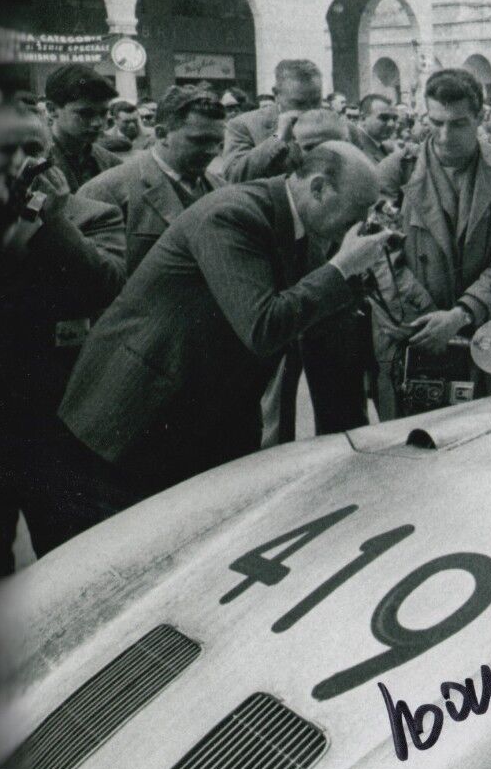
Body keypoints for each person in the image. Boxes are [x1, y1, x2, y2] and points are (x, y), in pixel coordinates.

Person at [57, 143, 392, 510]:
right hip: (134, 418)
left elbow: (321, 330)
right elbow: (263, 327)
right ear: (317, 188)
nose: (360, 225)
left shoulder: (305, 228)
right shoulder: (232, 214)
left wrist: (353, 275)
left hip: (204, 419)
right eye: (356, 213)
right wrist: (341, 268)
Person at [0, 100, 129, 578]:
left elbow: (106, 283)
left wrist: (53, 220)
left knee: (69, 556)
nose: (19, 162)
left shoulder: (89, 215)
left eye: (32, 150)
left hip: (57, 419)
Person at [374, 69, 491, 417]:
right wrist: (430, 319)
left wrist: (461, 314)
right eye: (436, 123)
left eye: (459, 124)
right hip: (416, 335)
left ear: (479, 117)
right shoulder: (395, 172)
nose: (445, 135)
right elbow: (380, 258)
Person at [78, 86, 227, 274]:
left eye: (218, 142)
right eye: (199, 141)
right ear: (161, 134)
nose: (212, 151)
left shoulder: (222, 188)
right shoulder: (107, 190)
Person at [220, 59, 378, 182]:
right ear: (277, 94)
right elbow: (234, 177)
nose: (309, 109)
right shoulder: (244, 125)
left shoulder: (345, 128)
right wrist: (277, 138)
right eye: (299, 103)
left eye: (316, 101)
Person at [44, 64, 122, 191]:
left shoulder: (112, 163)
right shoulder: (30, 164)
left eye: (103, 113)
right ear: (52, 109)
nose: (97, 123)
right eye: (85, 113)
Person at [356, 92, 399, 162]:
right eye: (384, 118)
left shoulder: (383, 147)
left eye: (394, 118)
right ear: (363, 118)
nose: (391, 124)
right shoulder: (356, 148)